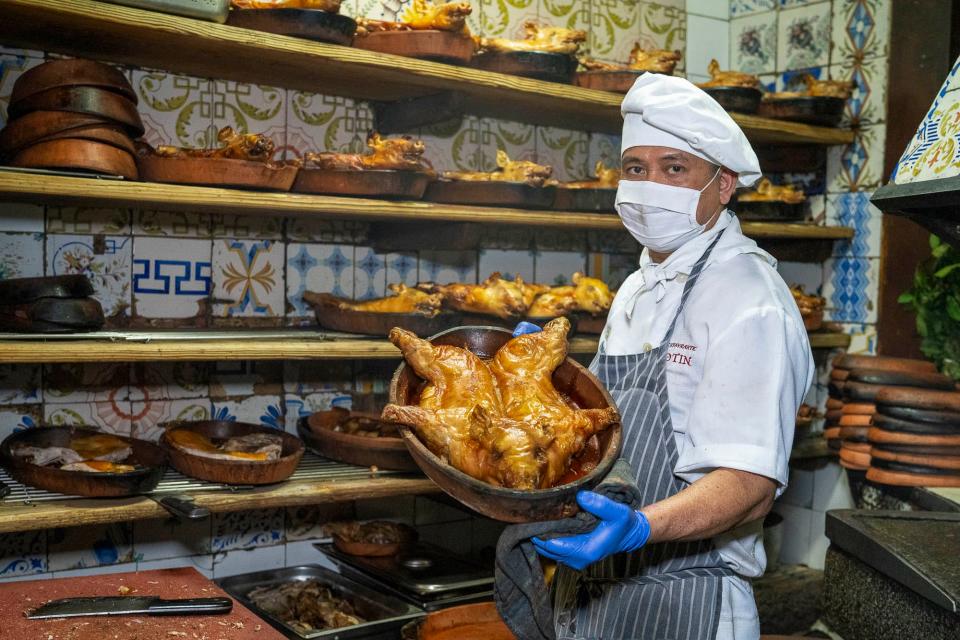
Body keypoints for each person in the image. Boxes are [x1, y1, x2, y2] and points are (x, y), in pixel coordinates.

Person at [529, 75, 815, 639]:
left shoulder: (749, 300)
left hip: (690, 599)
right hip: (597, 594)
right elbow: (611, 426)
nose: (650, 185)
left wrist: (637, 529)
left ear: (724, 184)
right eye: (636, 168)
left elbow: (749, 488)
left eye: (674, 168)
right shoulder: (638, 286)